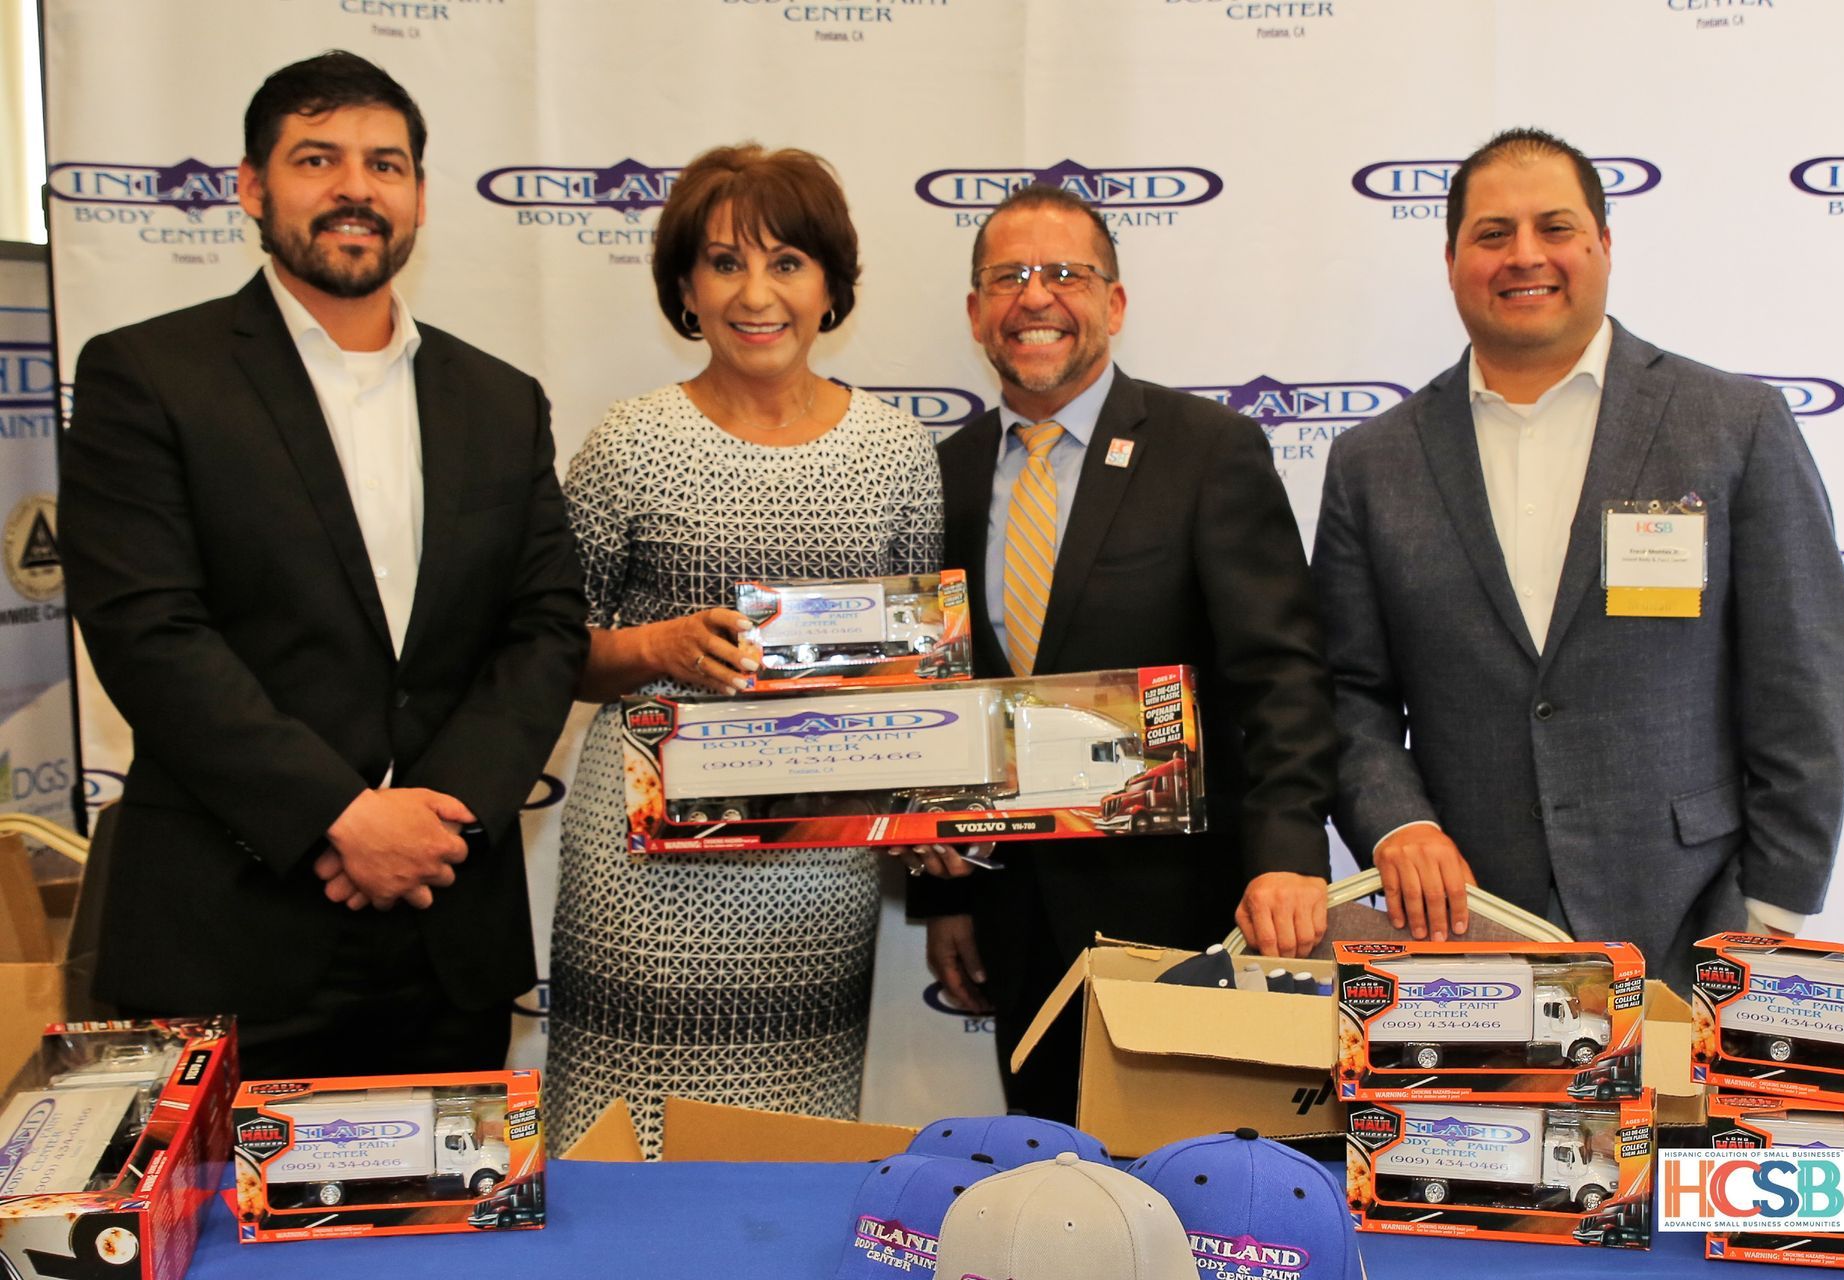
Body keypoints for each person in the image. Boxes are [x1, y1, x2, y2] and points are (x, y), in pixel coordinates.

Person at [60, 51, 587, 1078]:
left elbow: (546, 625)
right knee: (217, 1241)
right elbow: (149, 631)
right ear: (253, 186)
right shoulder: (147, 375)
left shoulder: (498, 397)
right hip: (229, 930)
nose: (356, 186)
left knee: (444, 1239)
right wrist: (341, 818)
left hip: (446, 934)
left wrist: (439, 819)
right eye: (318, 158)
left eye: (385, 163)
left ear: (421, 196)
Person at [1312, 127, 1844, 987]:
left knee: (1683, 1134)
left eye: (1555, 227)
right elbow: (1350, 694)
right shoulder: (1373, 462)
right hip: (1465, 939)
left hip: (1699, 926)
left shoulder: (1733, 425)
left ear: (1604, 244)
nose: (1525, 255)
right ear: (1451, 258)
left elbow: (1803, 675)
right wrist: (1396, 826)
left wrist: (1773, 911)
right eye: (1493, 234)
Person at [545, 144, 942, 1155]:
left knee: (791, 1148)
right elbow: (550, 651)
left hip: (816, 866)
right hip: (645, 858)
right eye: (724, 263)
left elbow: (924, 675)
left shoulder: (896, 450)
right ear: (685, 287)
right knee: (620, 1146)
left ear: (830, 287)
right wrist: (658, 644)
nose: (755, 294)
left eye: (787, 263)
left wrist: (938, 800)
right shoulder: (629, 441)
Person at [912, 184, 1337, 1121]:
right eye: (1008, 277)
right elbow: (932, 700)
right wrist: (939, 893)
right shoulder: (940, 474)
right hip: (1013, 920)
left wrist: (1289, 856)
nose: (1036, 297)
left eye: (1066, 273)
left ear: (1115, 302)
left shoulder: (1207, 451)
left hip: (1185, 915)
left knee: (1196, 1193)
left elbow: (1280, 674)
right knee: (1047, 1190)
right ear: (976, 311)